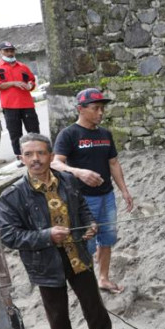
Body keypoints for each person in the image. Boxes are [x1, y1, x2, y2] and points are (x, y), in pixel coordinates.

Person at [0, 133, 129, 329]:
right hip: (45, 263)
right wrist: (46, 236)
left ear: (50, 155)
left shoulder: (67, 180)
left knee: (93, 302)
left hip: (76, 253)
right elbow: (8, 235)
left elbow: (82, 208)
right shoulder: (12, 196)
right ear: (21, 158)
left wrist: (89, 224)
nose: (35, 159)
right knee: (57, 313)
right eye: (29, 154)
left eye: (41, 153)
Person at [52, 88, 134, 295]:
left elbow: (113, 163)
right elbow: (56, 163)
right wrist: (78, 172)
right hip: (82, 200)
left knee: (107, 238)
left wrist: (124, 190)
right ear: (81, 109)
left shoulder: (105, 134)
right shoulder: (69, 134)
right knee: (86, 241)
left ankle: (104, 278)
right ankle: (86, 285)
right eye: (96, 108)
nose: (100, 113)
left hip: (107, 196)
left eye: (102, 109)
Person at [0, 41, 39, 163]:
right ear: (0, 52)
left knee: (34, 131)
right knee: (15, 133)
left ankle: (38, 153)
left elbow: (32, 80)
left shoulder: (23, 66)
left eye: (11, 50)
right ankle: (20, 158)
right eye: (6, 51)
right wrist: (13, 83)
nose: (10, 53)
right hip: (10, 105)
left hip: (27, 104)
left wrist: (30, 85)